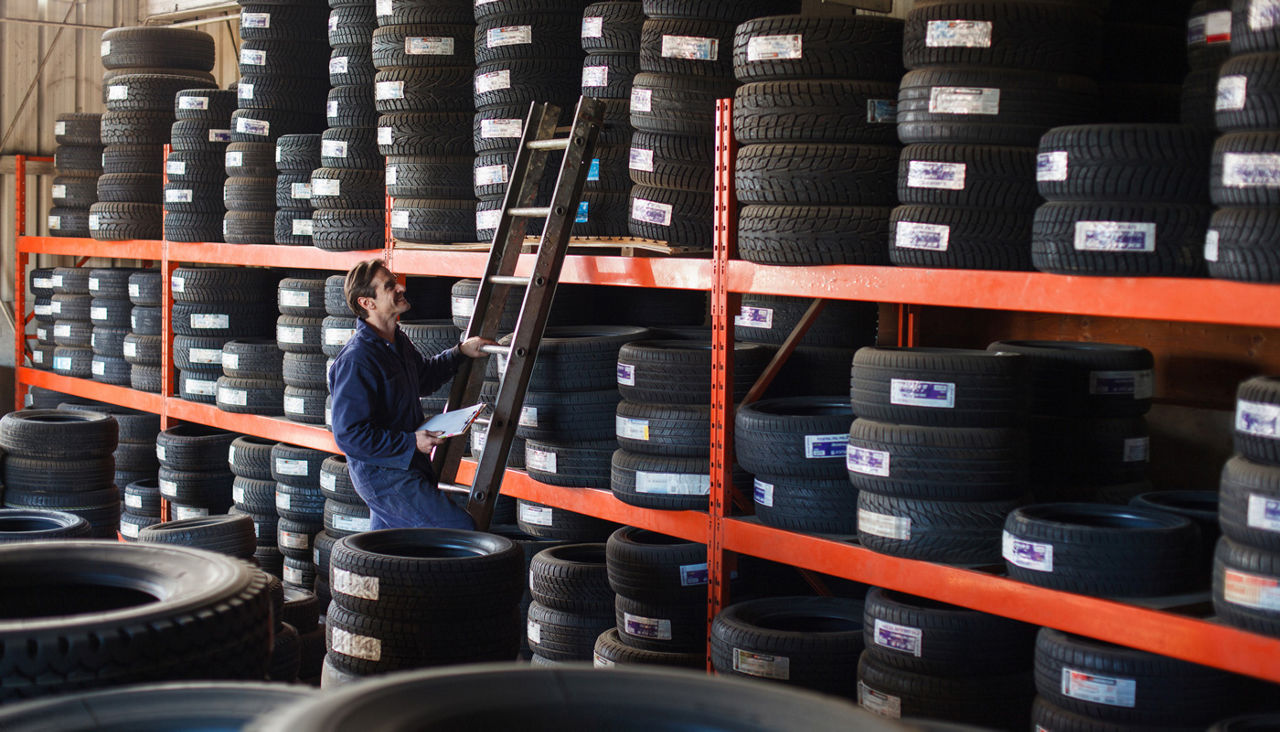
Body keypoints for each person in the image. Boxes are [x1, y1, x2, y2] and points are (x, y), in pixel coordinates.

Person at [328, 259, 496, 530]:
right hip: (385, 476)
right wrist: (410, 442)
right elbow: (349, 435)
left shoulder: (396, 341)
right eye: (389, 285)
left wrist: (460, 352)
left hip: (407, 466)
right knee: (460, 531)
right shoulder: (357, 360)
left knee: (389, 556)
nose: (401, 287)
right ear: (366, 303)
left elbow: (423, 379)